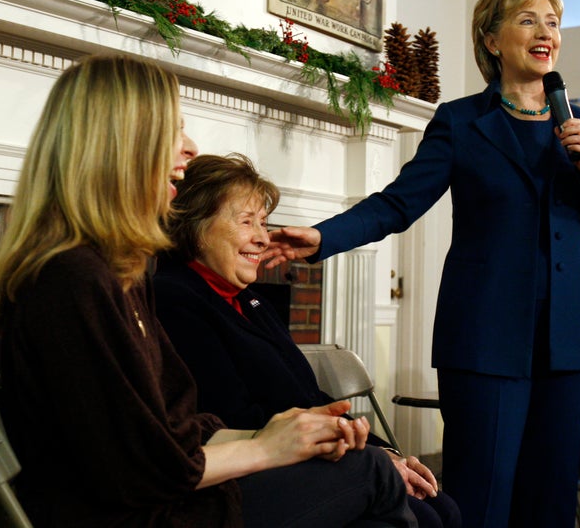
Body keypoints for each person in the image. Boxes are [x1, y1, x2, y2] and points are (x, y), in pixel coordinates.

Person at [0, 54, 419, 527]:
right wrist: (268, 448)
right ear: (119, 144)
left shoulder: (117, 274)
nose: (188, 148)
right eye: (174, 129)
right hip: (144, 514)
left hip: (170, 494)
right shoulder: (72, 281)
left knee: (377, 481)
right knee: (373, 477)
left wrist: (284, 433)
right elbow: (138, 474)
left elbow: (176, 427)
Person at [265, 0, 580, 528]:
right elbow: (398, 203)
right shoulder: (461, 122)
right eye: (527, 20)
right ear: (491, 38)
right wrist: (323, 237)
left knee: (550, 504)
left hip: (570, 340)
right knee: (481, 500)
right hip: (486, 340)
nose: (544, 32)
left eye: (552, 22)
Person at [153, 152, 462, 528]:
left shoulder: (251, 301)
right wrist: (361, 454)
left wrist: (389, 452)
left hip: (303, 454)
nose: (262, 238)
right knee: (419, 516)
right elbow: (230, 417)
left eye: (264, 223)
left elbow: (310, 397)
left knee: (442, 505)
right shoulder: (174, 299)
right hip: (245, 475)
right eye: (246, 221)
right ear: (195, 225)